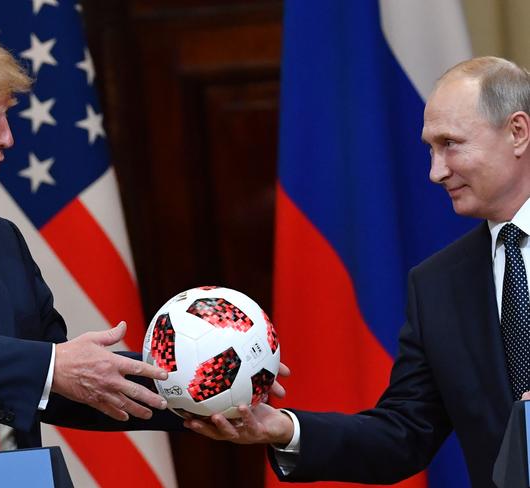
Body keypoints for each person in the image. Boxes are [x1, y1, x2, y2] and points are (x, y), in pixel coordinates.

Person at [185, 56, 530, 488]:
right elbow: (402, 434)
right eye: (430, 148)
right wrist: (286, 429)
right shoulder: (438, 285)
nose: (436, 171)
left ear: (517, 132)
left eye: (451, 144)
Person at [0, 26, 182, 461]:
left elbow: (59, 379)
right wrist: (51, 367)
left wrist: (197, 387)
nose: (7, 138)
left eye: (6, 117)